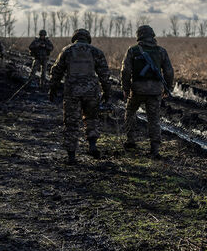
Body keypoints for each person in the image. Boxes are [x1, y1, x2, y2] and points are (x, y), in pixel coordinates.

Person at [49, 28, 112, 164]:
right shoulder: (96, 52)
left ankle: (71, 156)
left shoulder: (67, 51)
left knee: (71, 122)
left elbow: (56, 71)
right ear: (88, 38)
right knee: (91, 119)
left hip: (72, 92)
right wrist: (107, 92)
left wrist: (52, 88)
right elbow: (104, 75)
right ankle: (92, 146)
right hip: (91, 92)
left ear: (75, 37)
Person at [121, 25, 174, 158]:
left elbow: (125, 71)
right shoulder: (161, 51)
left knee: (130, 112)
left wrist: (126, 89)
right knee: (154, 119)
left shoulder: (132, 51)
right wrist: (168, 88)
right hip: (155, 91)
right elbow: (169, 71)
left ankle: (131, 140)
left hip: (137, 90)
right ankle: (155, 148)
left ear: (139, 36)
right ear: (152, 35)